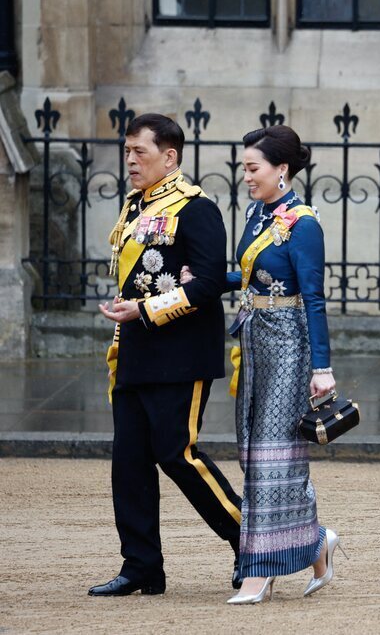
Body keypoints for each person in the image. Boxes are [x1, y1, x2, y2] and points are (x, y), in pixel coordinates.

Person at [183, 125, 342, 603]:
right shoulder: (256, 213)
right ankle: (314, 542)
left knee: (275, 454)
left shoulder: (304, 223)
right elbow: (251, 274)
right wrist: (211, 279)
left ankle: (260, 571)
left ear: (282, 170)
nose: (246, 176)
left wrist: (322, 367)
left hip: (290, 346)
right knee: (255, 453)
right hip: (254, 344)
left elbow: (313, 298)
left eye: (253, 168)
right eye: (245, 168)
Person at [91, 114, 242, 597]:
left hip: (179, 352)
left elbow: (209, 282)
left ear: (170, 156)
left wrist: (146, 309)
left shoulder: (196, 209)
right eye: (128, 151)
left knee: (177, 454)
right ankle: (141, 567)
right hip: (135, 350)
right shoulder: (136, 206)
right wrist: (128, 313)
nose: (130, 160)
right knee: (129, 461)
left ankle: (252, 541)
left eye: (140, 152)